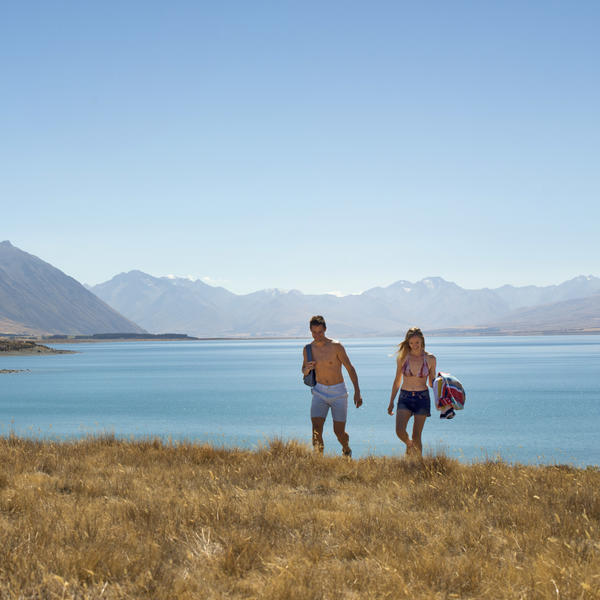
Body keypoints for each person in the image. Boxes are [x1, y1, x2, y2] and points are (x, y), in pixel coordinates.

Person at [301, 315, 363, 456]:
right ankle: (319, 463)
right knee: (316, 430)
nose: (317, 335)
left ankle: (346, 449)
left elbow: (350, 368)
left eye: (320, 332)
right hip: (319, 392)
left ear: (325, 330)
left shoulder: (336, 346)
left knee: (339, 432)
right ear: (310, 331)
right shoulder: (308, 349)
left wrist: (357, 392)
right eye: (314, 332)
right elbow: (303, 371)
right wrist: (307, 369)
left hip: (339, 392)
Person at [387, 327, 436, 456]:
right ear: (408, 343)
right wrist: (391, 401)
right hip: (405, 397)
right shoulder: (403, 358)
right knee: (399, 430)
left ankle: (418, 466)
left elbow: (432, 383)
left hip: (422, 398)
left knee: (417, 435)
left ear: (422, 342)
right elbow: (397, 380)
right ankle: (409, 445)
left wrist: (442, 386)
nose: (414, 346)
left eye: (417, 343)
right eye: (411, 343)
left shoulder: (431, 359)